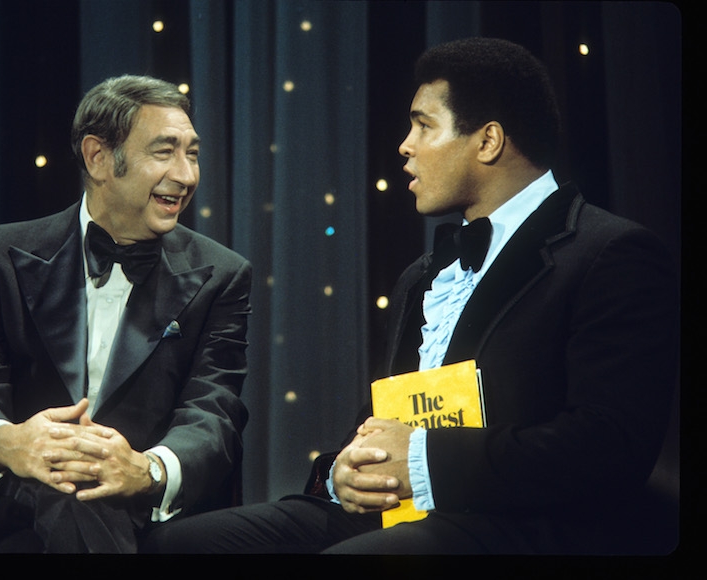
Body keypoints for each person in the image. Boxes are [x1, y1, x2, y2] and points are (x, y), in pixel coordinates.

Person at [141, 37, 679, 555]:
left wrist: (422, 461)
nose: (405, 144)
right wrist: (342, 471)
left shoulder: (611, 253)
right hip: (401, 514)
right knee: (180, 545)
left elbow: (608, 448)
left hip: (522, 523)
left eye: (424, 125)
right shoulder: (422, 276)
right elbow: (385, 426)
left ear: (488, 141)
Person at [0, 75, 252, 553]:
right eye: (165, 151)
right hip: (23, 503)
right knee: (63, 504)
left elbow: (214, 411)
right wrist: (10, 443)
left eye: (192, 153)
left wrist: (146, 470)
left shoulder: (223, 275)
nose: (187, 176)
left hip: (148, 513)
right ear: (98, 158)